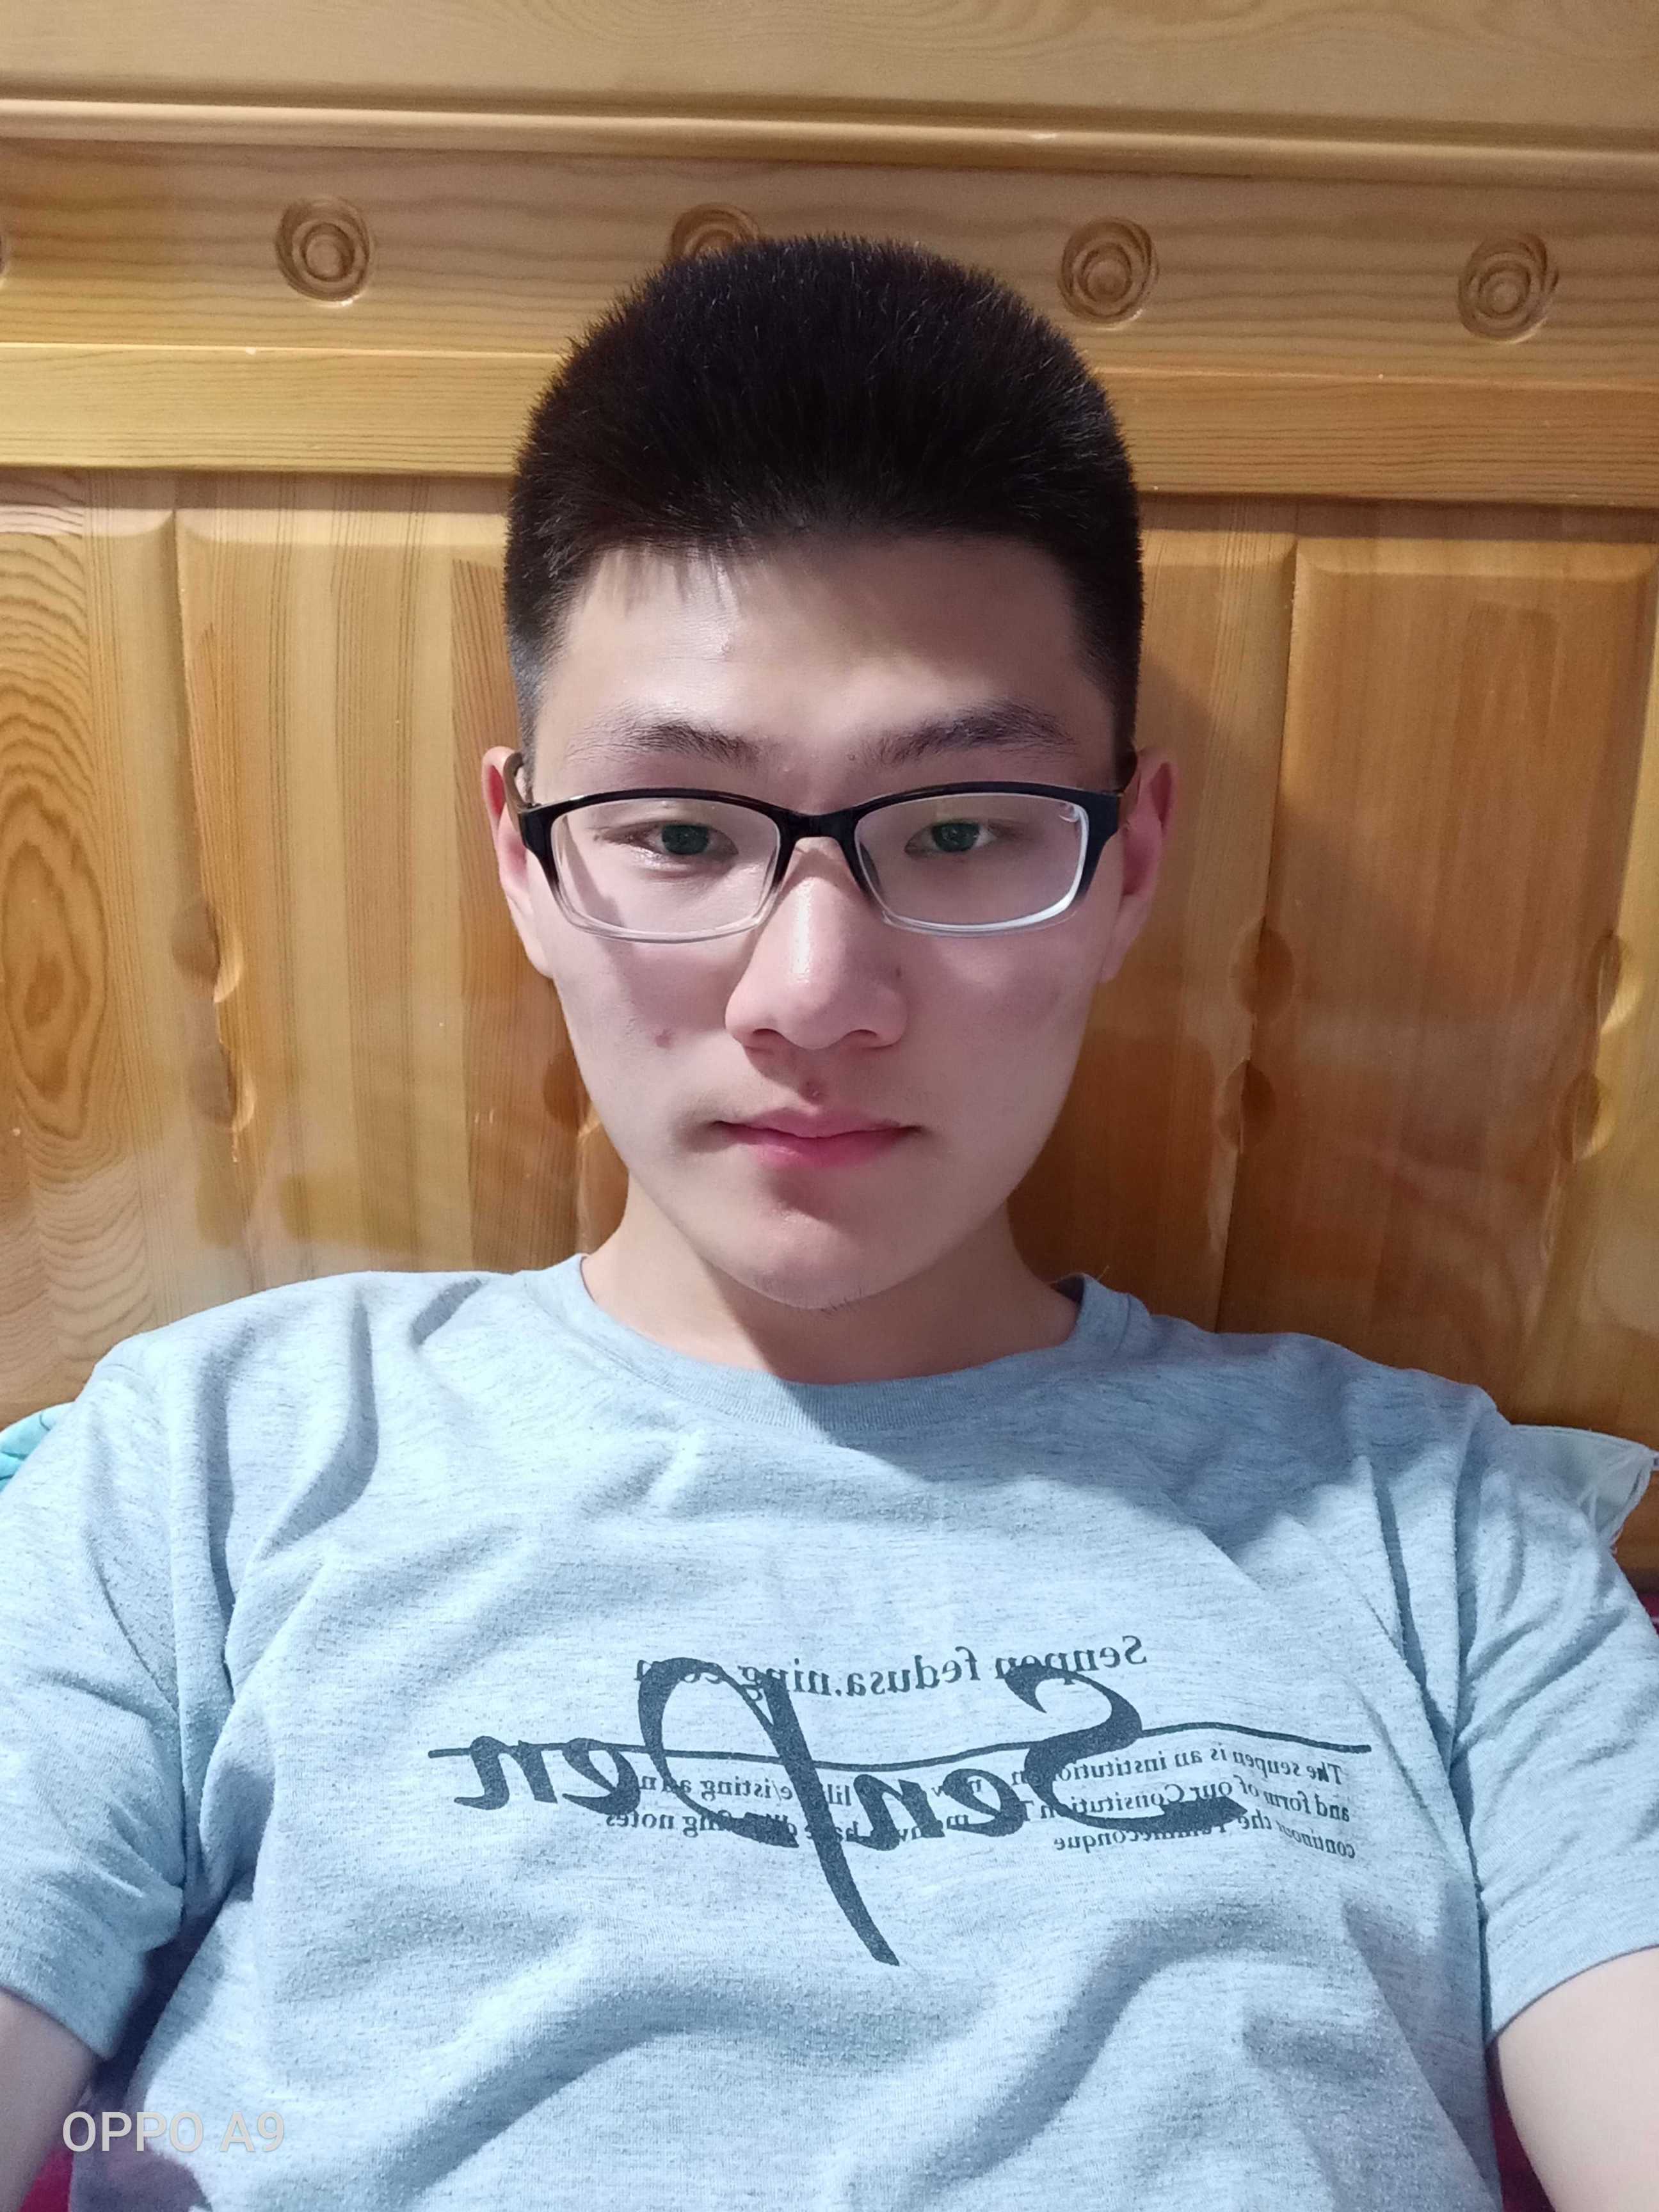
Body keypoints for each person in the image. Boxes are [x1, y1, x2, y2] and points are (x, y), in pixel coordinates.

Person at [1, 233, 1656, 2212]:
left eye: (957, 832)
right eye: (679, 833)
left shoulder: (1439, 1533)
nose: (813, 992)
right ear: (523, 858)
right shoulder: (203, 1464)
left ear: (1128, 864)